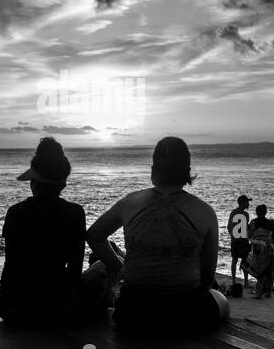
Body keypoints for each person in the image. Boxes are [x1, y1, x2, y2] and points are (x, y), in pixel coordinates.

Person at [86, 136, 228, 335]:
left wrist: (121, 268)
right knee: (221, 300)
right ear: (187, 171)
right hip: (186, 315)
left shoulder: (130, 202)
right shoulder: (205, 212)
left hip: (133, 312)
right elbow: (206, 277)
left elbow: (94, 236)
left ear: (154, 169)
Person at [0, 138, 115, 327]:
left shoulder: (15, 212)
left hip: (11, 308)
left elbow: (11, 263)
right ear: (63, 184)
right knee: (110, 257)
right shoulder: (75, 212)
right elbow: (75, 269)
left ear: (33, 183)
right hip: (58, 309)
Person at [247, 205, 274, 298]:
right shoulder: (271, 223)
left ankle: (259, 294)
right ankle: (268, 292)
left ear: (257, 212)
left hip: (259, 249)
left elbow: (249, 235)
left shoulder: (254, 223)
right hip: (271, 248)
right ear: (266, 212)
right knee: (269, 270)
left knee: (260, 270)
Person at [227, 195, 252, 284]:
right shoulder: (245, 214)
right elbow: (245, 228)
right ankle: (245, 282)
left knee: (235, 260)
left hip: (236, 240)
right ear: (242, 203)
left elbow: (229, 226)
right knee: (244, 261)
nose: (248, 204)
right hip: (243, 240)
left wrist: (233, 237)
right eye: (247, 202)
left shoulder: (233, 213)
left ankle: (234, 281)